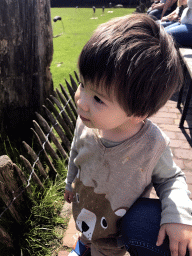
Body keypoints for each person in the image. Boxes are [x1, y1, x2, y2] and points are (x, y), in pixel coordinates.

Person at [64, 14, 192, 256]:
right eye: (82, 85)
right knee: (86, 234)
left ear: (138, 112)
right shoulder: (86, 124)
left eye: (98, 98)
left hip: (114, 235)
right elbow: (75, 152)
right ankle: (83, 244)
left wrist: (178, 215)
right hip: (86, 210)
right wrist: (70, 181)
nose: (82, 102)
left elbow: (171, 179)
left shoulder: (152, 145)